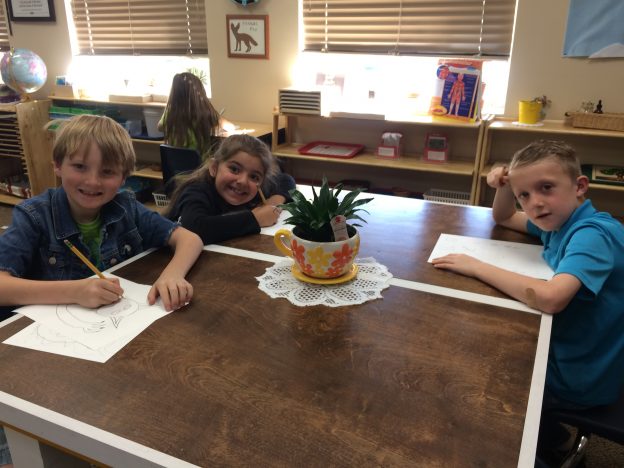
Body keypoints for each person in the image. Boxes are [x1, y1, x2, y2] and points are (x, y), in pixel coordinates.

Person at [431, 140, 624, 463]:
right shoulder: (560, 221)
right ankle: (553, 437)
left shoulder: (592, 234)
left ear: (579, 186)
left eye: (546, 187)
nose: (535, 203)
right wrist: (504, 188)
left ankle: (533, 453)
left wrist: (476, 266)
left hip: (583, 374)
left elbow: (550, 298)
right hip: (574, 348)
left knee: (479, 384)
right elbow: (504, 217)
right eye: (524, 195)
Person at [165, 134, 296, 244]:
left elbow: (286, 179)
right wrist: (255, 219)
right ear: (214, 167)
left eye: (254, 177)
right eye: (234, 169)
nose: (243, 181)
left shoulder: (254, 189)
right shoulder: (197, 190)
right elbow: (194, 227)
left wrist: (273, 203)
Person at [158, 72, 235, 158]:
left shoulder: (170, 113)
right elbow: (231, 127)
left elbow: (160, 127)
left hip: (175, 163)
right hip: (200, 165)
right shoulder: (204, 113)